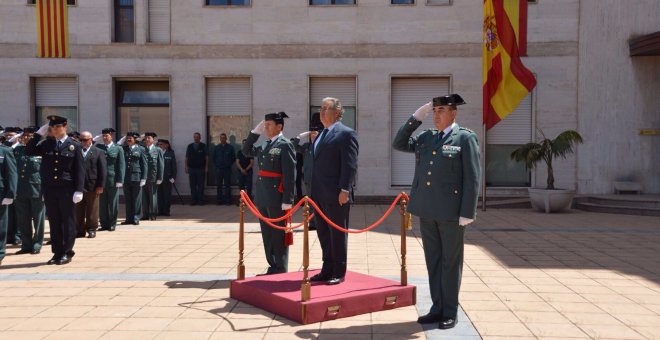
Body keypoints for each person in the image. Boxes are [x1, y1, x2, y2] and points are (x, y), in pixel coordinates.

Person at [392, 94, 480, 330]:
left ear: (454, 113)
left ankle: (450, 311)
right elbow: (399, 143)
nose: (436, 115)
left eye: (441, 110)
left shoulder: (464, 138)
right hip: (427, 210)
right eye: (434, 111)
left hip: (451, 213)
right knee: (433, 261)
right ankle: (437, 307)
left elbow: (472, 178)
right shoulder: (426, 138)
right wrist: (415, 118)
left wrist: (467, 211)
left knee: (451, 263)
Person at [309, 98, 358, 285]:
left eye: (325, 108)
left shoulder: (346, 134)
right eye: (320, 108)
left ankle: (338, 271)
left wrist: (345, 189)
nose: (321, 112)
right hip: (319, 194)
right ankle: (327, 269)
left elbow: (350, 164)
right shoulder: (321, 135)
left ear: (337, 112)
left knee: (337, 234)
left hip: (337, 195)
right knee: (323, 233)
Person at [26, 115, 84, 265]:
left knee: (68, 221)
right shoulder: (47, 144)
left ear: (65, 126)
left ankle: (67, 252)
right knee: (54, 222)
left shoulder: (74, 145)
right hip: (50, 189)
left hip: (67, 189)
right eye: (52, 127)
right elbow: (29, 150)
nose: (55, 130)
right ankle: (57, 253)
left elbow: (79, 170)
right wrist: (38, 134)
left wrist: (79, 190)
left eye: (58, 127)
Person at [242, 112, 296, 275]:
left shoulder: (285, 145)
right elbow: (246, 151)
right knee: (267, 233)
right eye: (264, 125)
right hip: (263, 196)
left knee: (278, 233)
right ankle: (272, 265)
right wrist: (254, 133)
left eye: (269, 125)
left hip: (277, 196)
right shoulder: (264, 145)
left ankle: (280, 267)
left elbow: (289, 175)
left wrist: (288, 199)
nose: (266, 128)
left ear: (279, 127)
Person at [13, 127, 45, 255]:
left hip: (37, 189)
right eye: (24, 135)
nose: (26, 138)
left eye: (29, 136)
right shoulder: (17, 150)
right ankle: (26, 245)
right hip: (20, 189)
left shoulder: (41, 150)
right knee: (23, 219)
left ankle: (37, 244)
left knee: (38, 218)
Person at [292, 112, 322, 231]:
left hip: (321, 179)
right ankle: (313, 223)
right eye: (311, 134)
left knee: (320, 202)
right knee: (310, 202)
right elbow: (293, 146)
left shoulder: (323, 146)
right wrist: (300, 136)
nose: (313, 136)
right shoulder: (306, 147)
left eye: (315, 134)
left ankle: (322, 222)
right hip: (309, 179)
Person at [75, 131, 107, 239]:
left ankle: (92, 229)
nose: (83, 142)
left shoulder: (98, 152)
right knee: (78, 209)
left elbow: (102, 170)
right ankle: (79, 230)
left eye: (85, 140)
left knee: (92, 209)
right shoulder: (75, 151)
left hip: (92, 185)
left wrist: (100, 185)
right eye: (81, 140)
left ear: (91, 139)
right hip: (78, 185)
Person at [96, 128, 125, 232]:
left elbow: (121, 165)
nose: (104, 138)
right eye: (103, 136)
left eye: (106, 136)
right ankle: (104, 224)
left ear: (111, 136)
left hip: (113, 180)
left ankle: (112, 224)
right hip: (101, 180)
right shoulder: (98, 147)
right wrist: (95, 140)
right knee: (102, 204)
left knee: (113, 203)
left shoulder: (118, 148)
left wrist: (120, 180)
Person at [121, 131, 147, 225]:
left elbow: (144, 164)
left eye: (130, 138)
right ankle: (128, 218)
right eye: (127, 138)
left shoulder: (141, 149)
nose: (128, 139)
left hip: (137, 177)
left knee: (136, 199)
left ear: (135, 139)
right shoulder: (123, 149)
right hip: (126, 177)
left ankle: (136, 217)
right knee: (128, 199)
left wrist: (143, 178)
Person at [0, 138, 17, 266]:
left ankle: (0, 253)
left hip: (1, 193)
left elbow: (11, 173)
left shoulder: (5, 151)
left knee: (1, 224)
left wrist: (10, 193)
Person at [5, 127, 23, 246]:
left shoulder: (21, 149)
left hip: (17, 184)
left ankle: (17, 235)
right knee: (8, 212)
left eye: (11, 135)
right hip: (5, 184)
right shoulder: (5, 148)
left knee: (18, 212)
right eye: (6, 135)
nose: (8, 137)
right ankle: (9, 235)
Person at [141, 132, 164, 221]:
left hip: (153, 177)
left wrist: (160, 177)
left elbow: (161, 165)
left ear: (153, 140)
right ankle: (145, 214)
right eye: (145, 138)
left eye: (148, 138)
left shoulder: (158, 150)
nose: (146, 140)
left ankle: (153, 214)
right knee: (144, 197)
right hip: (144, 177)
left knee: (152, 196)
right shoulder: (142, 149)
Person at [212, 133, 236, 205]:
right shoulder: (216, 148)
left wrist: (228, 164)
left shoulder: (230, 147)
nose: (222, 139)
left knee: (227, 185)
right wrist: (217, 165)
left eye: (224, 138)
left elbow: (233, 158)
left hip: (227, 169)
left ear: (226, 139)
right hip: (219, 169)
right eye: (221, 138)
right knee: (219, 185)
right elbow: (214, 158)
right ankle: (219, 201)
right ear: (220, 139)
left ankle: (228, 201)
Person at [186, 132, 208, 205]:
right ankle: (193, 200)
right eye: (195, 137)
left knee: (201, 185)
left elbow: (206, 157)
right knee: (192, 185)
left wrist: (206, 167)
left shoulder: (203, 146)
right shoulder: (190, 146)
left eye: (197, 137)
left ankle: (200, 200)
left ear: (200, 138)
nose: (196, 138)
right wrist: (186, 166)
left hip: (201, 168)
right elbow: (186, 157)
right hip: (192, 168)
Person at [157, 139, 177, 216]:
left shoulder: (170, 153)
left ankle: (166, 211)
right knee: (159, 196)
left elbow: (174, 167)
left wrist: (173, 177)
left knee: (167, 195)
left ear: (166, 145)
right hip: (158, 178)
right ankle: (160, 210)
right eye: (158, 144)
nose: (159, 146)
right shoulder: (156, 153)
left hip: (167, 178)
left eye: (161, 144)